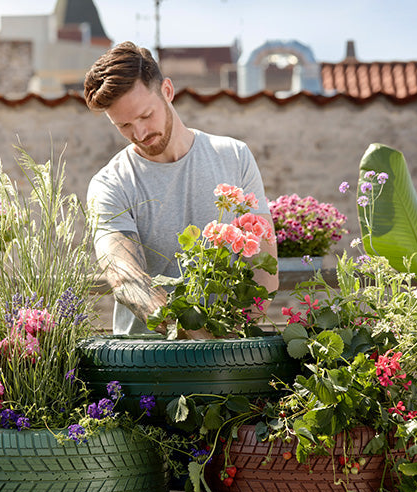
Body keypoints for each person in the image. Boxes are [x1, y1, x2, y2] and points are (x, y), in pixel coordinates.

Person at [84, 41, 278, 336]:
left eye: (146, 116)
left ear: (167, 91)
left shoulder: (234, 157)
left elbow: (264, 265)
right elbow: (124, 276)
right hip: (145, 363)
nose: (139, 133)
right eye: (123, 125)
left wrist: (235, 336)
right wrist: (194, 337)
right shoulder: (110, 183)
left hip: (229, 358)